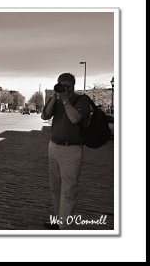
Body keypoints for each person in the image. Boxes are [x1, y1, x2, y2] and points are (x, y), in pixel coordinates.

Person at [41, 73, 91, 230]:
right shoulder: (56, 99)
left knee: (69, 190)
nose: (65, 89)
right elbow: (45, 115)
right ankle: (57, 220)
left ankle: (65, 227)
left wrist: (65, 100)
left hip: (72, 149)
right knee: (55, 189)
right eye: (62, 86)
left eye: (68, 86)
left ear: (73, 86)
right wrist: (54, 98)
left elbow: (75, 118)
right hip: (54, 146)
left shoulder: (81, 100)